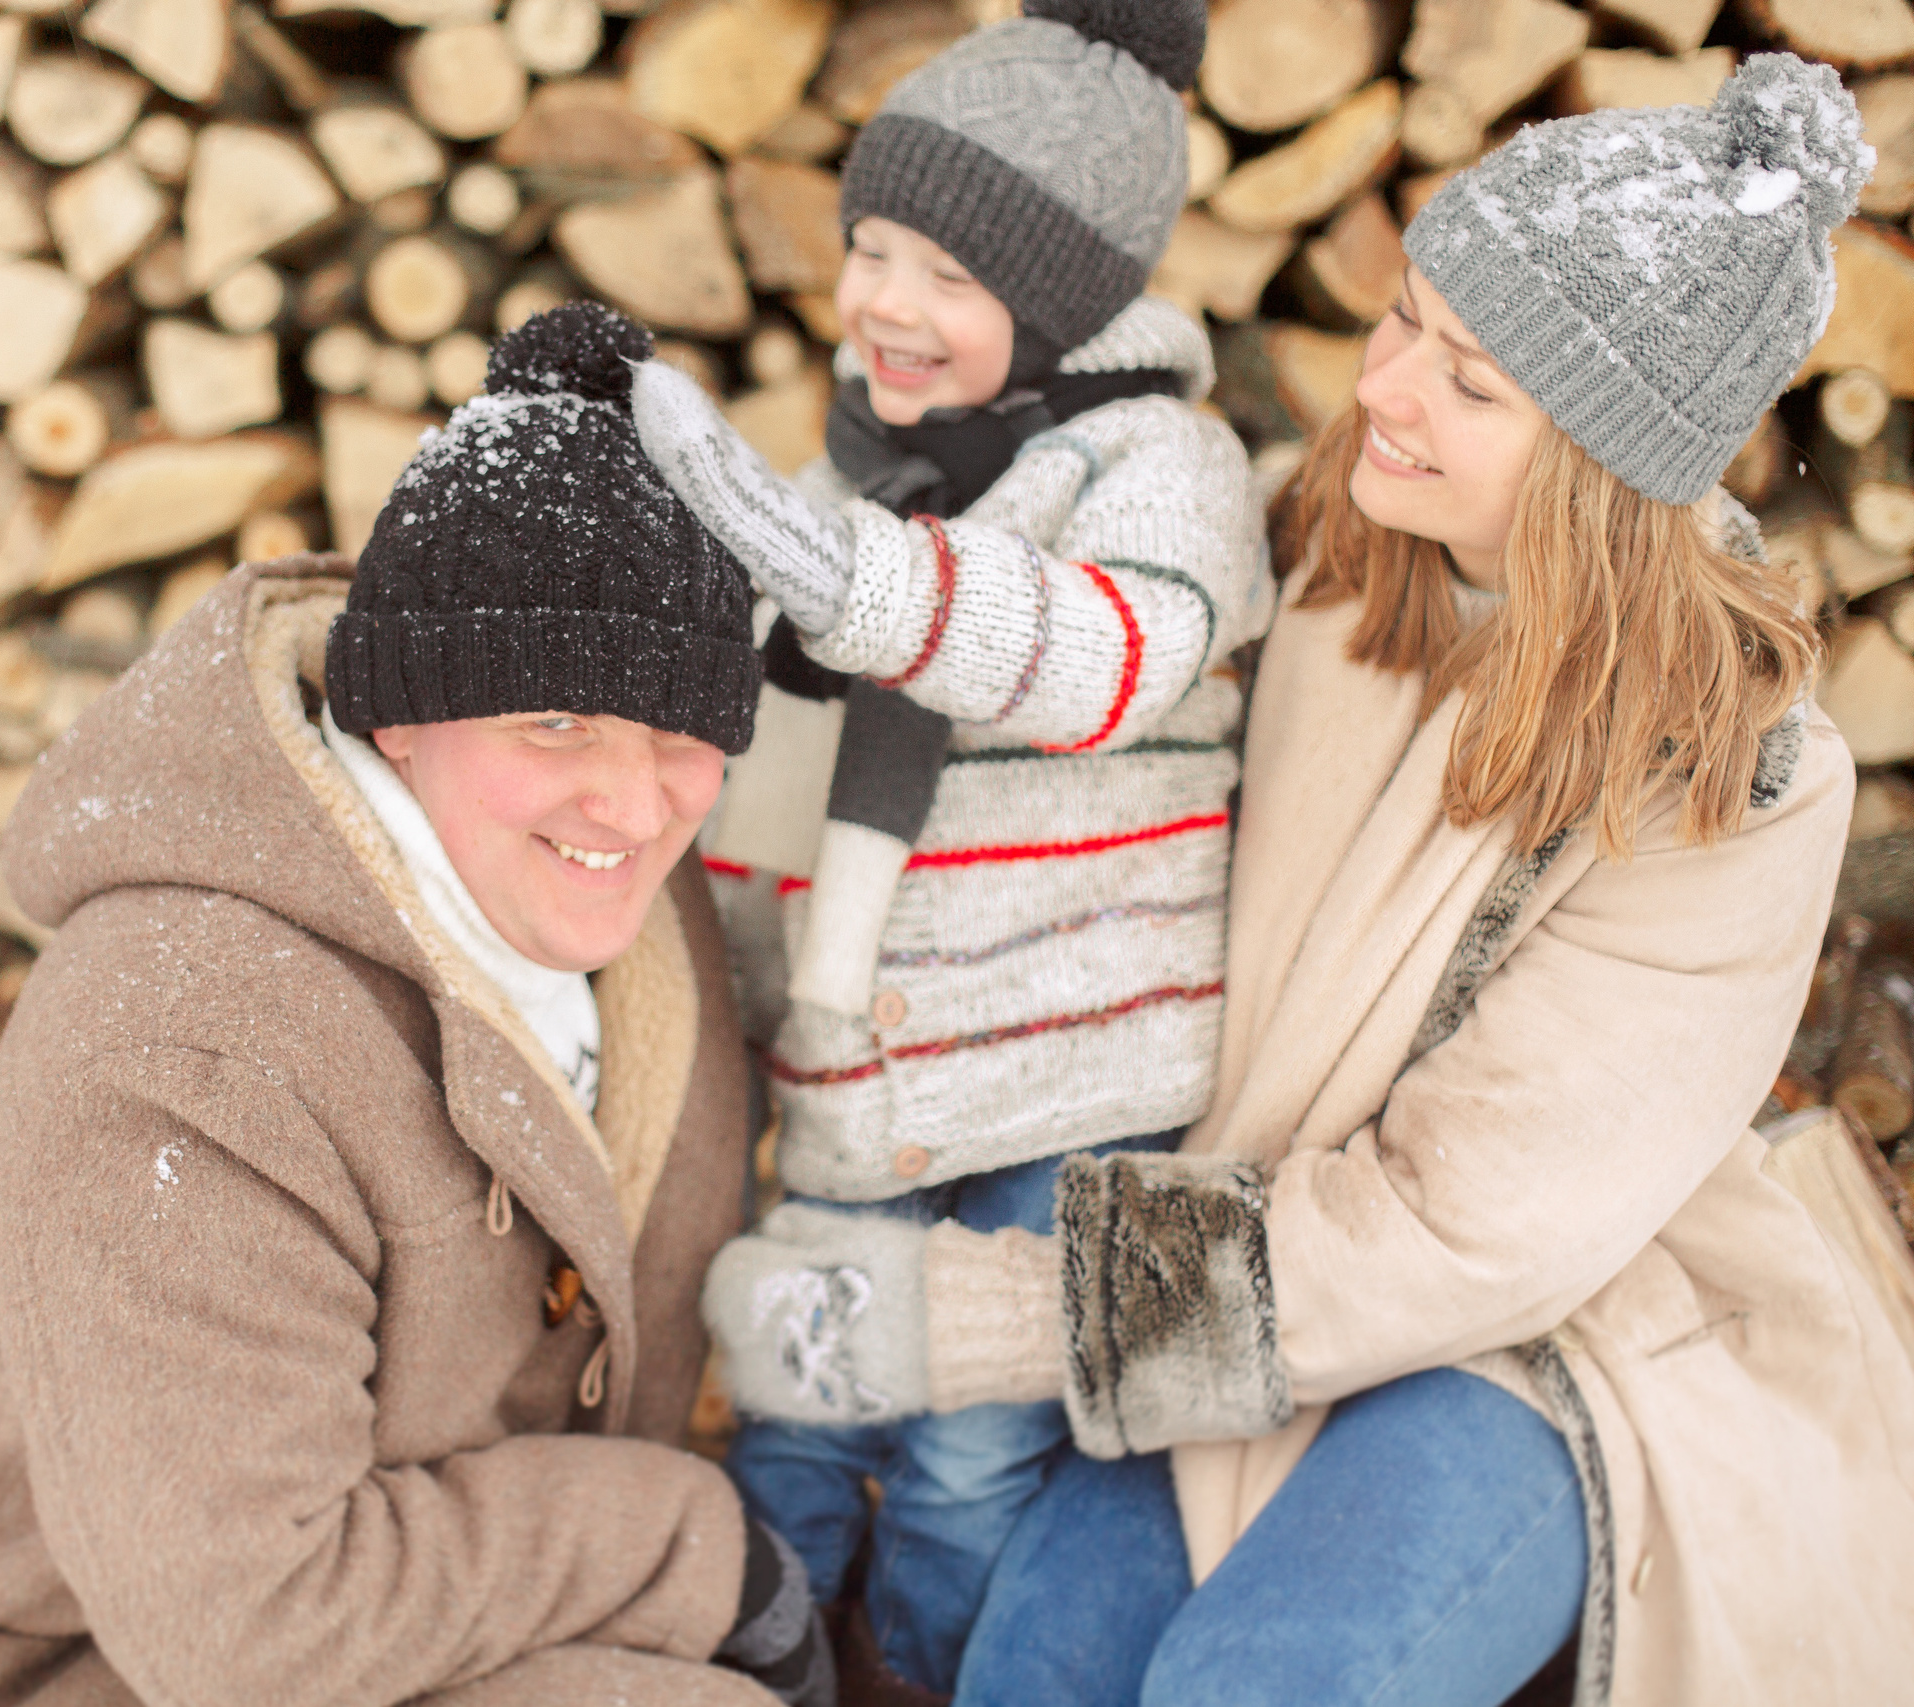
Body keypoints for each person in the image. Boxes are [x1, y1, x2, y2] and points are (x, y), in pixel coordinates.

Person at [696, 53, 1914, 1707]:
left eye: (1471, 381)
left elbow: (1461, 1234)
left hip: (1536, 1340)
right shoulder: (1310, 550)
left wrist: (974, 1314)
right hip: (1226, 1255)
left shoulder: (1732, 779)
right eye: (1403, 316)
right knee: (1034, 1669)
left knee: (1261, 1685)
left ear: (1606, 466)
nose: (1387, 387)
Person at [0, 305, 837, 1707]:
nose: (635, 807)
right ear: (397, 714)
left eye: (678, 728)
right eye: (557, 722)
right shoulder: (183, 1047)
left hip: (412, 1605)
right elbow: (249, 1631)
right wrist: (687, 1555)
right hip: (51, 1665)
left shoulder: (627, 921)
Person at [628, 0, 1265, 1692]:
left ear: (1058, 305)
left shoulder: (1164, 465)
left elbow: (1102, 657)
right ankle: (758, 1666)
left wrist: (847, 581)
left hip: (1075, 1067)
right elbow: (766, 743)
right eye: (871, 250)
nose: (888, 305)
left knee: (972, 1453)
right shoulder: (857, 470)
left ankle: (916, 1675)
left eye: (952, 277)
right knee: (795, 1390)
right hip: (872, 1052)